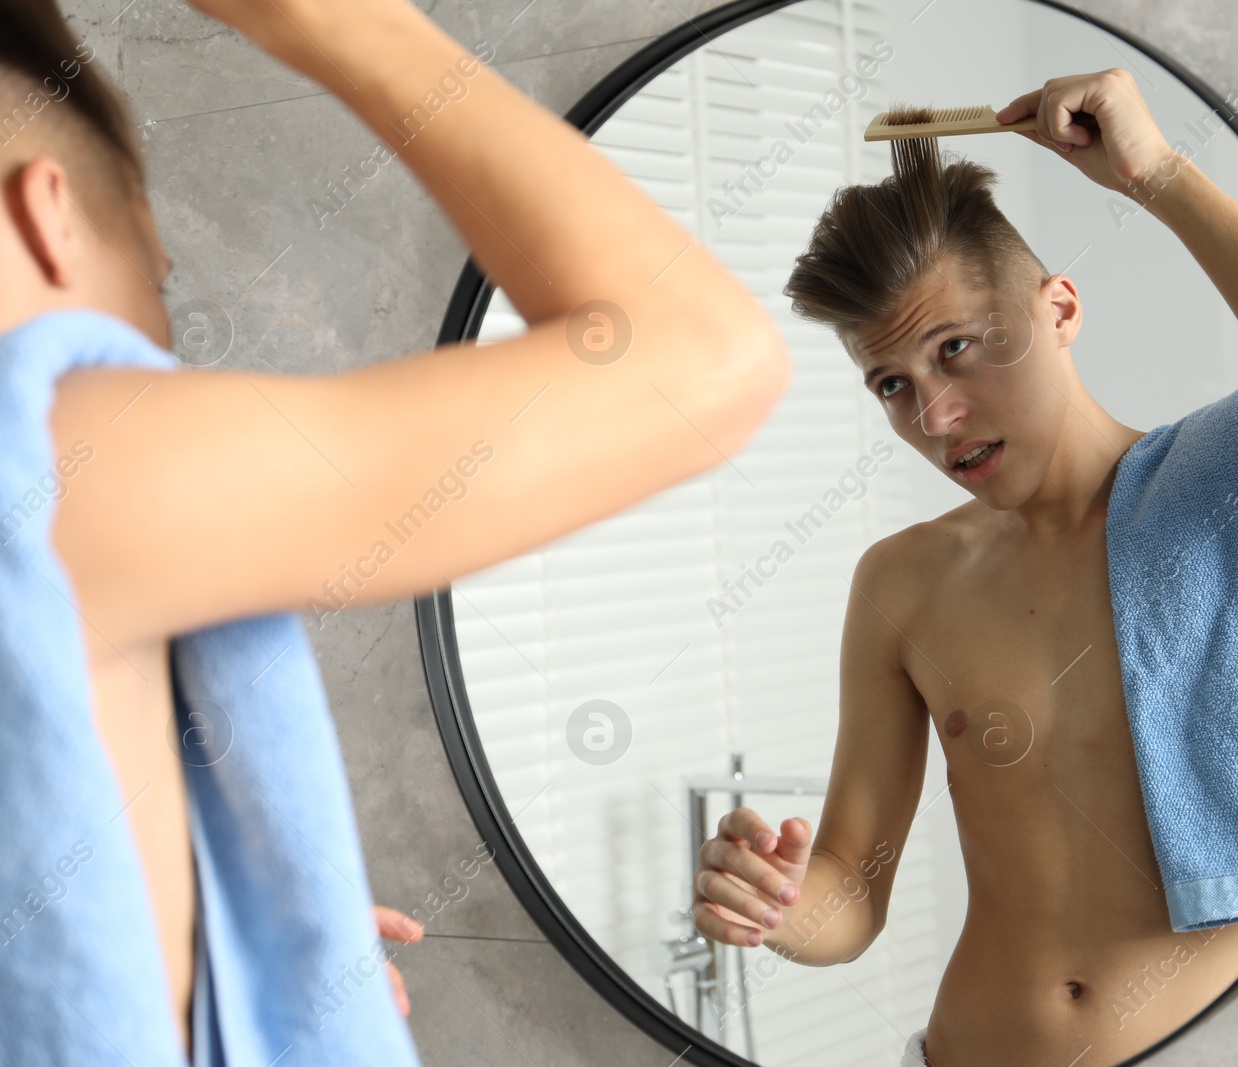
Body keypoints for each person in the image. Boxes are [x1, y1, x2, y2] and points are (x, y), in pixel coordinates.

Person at [0, 0, 789, 1061]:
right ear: (48, 216)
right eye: (157, 280)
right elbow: (702, 356)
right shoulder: (59, 460)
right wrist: (342, 23)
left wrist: (239, 937)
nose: (165, 342)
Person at [690, 72, 1238, 1067]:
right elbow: (853, 884)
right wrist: (781, 903)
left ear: (1058, 307)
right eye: (893, 383)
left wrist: (1157, 177)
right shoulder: (904, 583)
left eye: (957, 349)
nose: (932, 417)